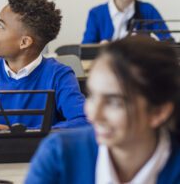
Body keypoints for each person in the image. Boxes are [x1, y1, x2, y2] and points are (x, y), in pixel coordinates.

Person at [26, 36, 180, 183]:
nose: (93, 115)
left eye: (114, 102)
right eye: (92, 96)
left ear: (159, 112)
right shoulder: (59, 154)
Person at [0, 0, 88, 129]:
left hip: (35, 150)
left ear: (24, 42)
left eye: (1, 26)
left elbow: (85, 121)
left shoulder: (58, 75)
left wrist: (18, 133)